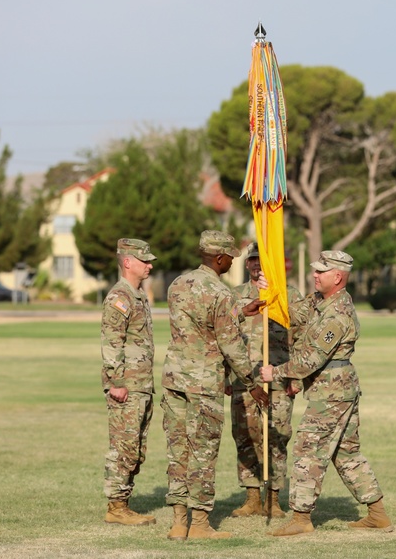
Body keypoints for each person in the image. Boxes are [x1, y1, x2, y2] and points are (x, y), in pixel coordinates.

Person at [260, 250, 393, 537]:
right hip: (332, 389)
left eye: (321, 271)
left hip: (332, 392)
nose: (315, 275)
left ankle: (301, 518)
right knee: (346, 454)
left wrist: (277, 373)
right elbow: (293, 314)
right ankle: (378, 515)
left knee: (307, 449)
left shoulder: (337, 313)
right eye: (315, 270)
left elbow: (311, 360)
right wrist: (270, 293)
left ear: (338, 276)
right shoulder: (320, 302)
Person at [161, 230, 270, 541]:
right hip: (204, 382)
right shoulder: (221, 293)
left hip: (174, 378)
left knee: (178, 451)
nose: (233, 262)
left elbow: (198, 325)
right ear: (220, 258)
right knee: (202, 452)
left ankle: (179, 522)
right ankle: (200, 526)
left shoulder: (177, 284)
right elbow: (231, 345)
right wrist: (251, 382)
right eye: (231, 258)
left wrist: (239, 313)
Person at [228, 243, 302, 519]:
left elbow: (302, 337)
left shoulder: (288, 295)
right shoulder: (235, 297)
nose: (257, 265)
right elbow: (226, 337)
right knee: (246, 436)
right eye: (253, 261)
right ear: (247, 264)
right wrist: (226, 375)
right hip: (244, 378)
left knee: (277, 436)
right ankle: (251, 497)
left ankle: (274, 498)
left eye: (263, 261)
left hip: (279, 379)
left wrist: (296, 377)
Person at [101, 238, 158, 526]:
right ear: (127, 262)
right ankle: (116, 506)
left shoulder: (137, 295)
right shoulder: (119, 297)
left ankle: (124, 502)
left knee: (136, 446)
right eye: (144, 260)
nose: (149, 265)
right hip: (127, 386)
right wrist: (116, 382)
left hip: (142, 384)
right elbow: (112, 342)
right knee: (124, 445)